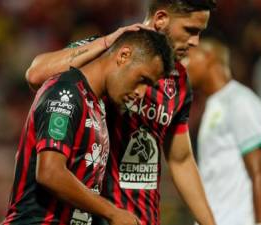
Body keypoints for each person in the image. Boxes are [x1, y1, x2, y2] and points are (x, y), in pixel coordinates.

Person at [25, 1, 218, 225]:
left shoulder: (179, 81)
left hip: (140, 218)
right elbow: (36, 75)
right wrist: (105, 42)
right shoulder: (109, 53)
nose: (195, 42)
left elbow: (181, 159)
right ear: (161, 19)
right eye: (190, 30)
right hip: (95, 215)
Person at [2, 29, 174, 225]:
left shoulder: (97, 106)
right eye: (142, 79)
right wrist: (113, 212)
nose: (141, 93)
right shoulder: (65, 93)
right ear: (124, 55)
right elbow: (49, 172)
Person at [183, 38, 261, 225]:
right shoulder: (214, 104)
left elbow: (260, 173)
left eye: (188, 57)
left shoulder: (240, 101)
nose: (183, 65)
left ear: (208, 57)